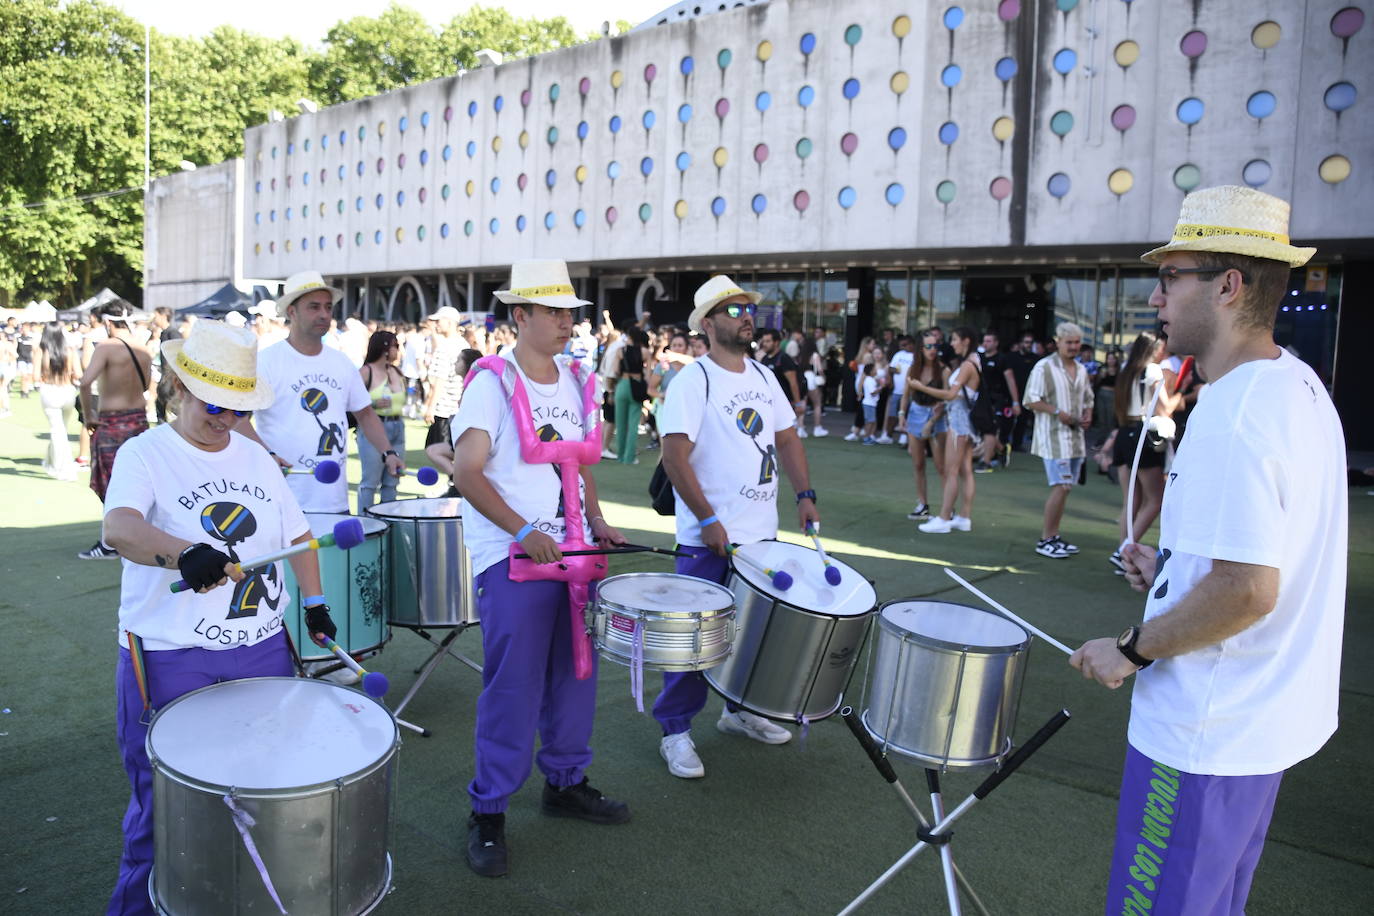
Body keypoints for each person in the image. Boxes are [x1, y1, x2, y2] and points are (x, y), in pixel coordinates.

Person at [1070, 186, 1346, 915]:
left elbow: (1248, 591)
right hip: (1257, 729)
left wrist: (1130, 648)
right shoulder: (1299, 388)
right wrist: (1173, 575)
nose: (1157, 296)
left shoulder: (1238, 410)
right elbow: (1255, 563)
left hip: (1206, 736)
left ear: (1228, 286)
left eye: (1172, 275)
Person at [102, 319, 334, 915]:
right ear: (180, 383)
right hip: (172, 657)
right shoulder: (144, 452)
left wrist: (314, 604)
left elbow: (299, 535)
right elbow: (119, 528)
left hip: (262, 650)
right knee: (167, 807)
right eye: (213, 404)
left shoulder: (255, 458)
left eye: (236, 408)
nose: (223, 418)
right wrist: (186, 554)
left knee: (261, 788)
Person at [451, 259, 630, 878]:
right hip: (512, 557)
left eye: (568, 311)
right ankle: (490, 810)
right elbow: (467, 471)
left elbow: (581, 464)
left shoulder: (580, 377)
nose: (564, 321)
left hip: (576, 553)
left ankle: (565, 781)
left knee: (577, 673)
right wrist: (524, 532)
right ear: (519, 315)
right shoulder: (492, 383)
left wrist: (597, 517)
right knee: (514, 685)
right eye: (551, 311)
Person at [654, 274, 821, 778]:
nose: (746, 316)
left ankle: (739, 710)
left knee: (752, 636)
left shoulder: (765, 377)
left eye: (748, 308)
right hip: (709, 538)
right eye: (732, 310)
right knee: (694, 637)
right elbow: (673, 454)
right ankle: (676, 732)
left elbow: (788, 439)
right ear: (707, 324)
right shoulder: (694, 380)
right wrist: (706, 518)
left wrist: (805, 495)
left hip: (759, 536)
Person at [242, 271, 405, 515]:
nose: (324, 315)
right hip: (284, 502)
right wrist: (268, 454)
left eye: (328, 307)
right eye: (314, 307)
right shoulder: (266, 362)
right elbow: (237, 420)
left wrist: (388, 452)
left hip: (334, 503)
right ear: (292, 312)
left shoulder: (341, 363)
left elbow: (366, 415)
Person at [1106, 331, 1187, 572]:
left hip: (1124, 433)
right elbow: (1164, 408)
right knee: (1155, 499)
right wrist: (1183, 395)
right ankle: (1124, 552)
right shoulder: (1152, 370)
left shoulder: (1124, 372)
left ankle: (1123, 551)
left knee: (1132, 500)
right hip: (1144, 434)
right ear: (1155, 351)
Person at [78, 303, 154, 559]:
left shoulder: (108, 347)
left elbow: (85, 382)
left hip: (112, 422)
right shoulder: (142, 348)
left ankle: (109, 543)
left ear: (108, 323)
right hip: (139, 421)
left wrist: (88, 415)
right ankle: (136, 536)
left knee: (111, 485)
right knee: (140, 481)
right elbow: (147, 385)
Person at [1023, 322, 1093, 558]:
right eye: (1069, 342)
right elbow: (1030, 399)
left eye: (1076, 342)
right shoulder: (1044, 367)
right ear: (1058, 342)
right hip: (1053, 438)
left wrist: (1087, 415)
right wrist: (1056, 412)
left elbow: (1088, 399)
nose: (1073, 347)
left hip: (1075, 439)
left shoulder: (1081, 370)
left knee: (1066, 488)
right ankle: (1046, 538)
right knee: (1061, 486)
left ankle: (1053, 536)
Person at [913, 327, 980, 533]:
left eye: (955, 339)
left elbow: (952, 394)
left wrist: (921, 387)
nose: (951, 343)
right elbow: (958, 395)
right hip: (962, 419)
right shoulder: (972, 361)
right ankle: (963, 517)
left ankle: (944, 518)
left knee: (952, 470)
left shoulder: (969, 364)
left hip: (960, 422)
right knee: (964, 470)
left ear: (966, 341)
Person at [897, 330, 949, 520]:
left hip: (936, 414)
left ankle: (947, 508)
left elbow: (947, 399)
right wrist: (902, 414)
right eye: (928, 346)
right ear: (920, 348)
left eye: (935, 345)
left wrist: (933, 421)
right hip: (916, 412)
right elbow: (906, 394)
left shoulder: (943, 370)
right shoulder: (914, 368)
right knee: (918, 464)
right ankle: (922, 504)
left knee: (941, 465)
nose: (932, 349)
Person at [356, 330, 407, 512]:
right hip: (374, 427)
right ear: (385, 348)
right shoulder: (365, 372)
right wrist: (373, 402)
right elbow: (352, 403)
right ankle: (366, 522)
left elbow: (402, 400)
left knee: (392, 481)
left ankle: (390, 521)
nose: (398, 351)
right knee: (370, 481)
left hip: (397, 426)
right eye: (396, 346)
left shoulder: (395, 371)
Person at [37, 322, 79, 480]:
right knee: (61, 429)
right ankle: (51, 462)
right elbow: (78, 373)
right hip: (67, 390)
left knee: (57, 430)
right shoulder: (70, 350)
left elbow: (35, 375)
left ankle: (60, 467)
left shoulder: (42, 350)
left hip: (49, 390)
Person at [975, 331, 1021, 471]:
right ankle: (1001, 449)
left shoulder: (1002, 359)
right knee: (984, 429)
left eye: (989, 341)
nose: (986, 343)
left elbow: (1010, 380)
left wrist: (1015, 402)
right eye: (985, 340)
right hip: (981, 398)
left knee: (991, 429)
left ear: (996, 343)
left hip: (998, 399)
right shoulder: (979, 358)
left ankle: (986, 460)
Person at [756, 327, 807, 437]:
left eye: (768, 341)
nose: (764, 344)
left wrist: (798, 403)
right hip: (768, 404)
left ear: (776, 342)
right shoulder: (765, 359)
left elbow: (793, 383)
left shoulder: (784, 358)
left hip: (784, 405)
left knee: (785, 438)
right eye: (763, 341)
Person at [612, 325, 651, 463]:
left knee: (620, 424)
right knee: (633, 424)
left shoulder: (619, 351)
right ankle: (629, 457)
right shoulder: (645, 352)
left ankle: (620, 456)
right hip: (637, 386)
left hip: (622, 385)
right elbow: (648, 374)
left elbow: (615, 371)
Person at [798, 334, 828, 437]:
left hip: (802, 378)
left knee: (803, 403)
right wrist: (824, 377)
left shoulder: (801, 354)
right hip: (811, 378)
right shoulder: (815, 355)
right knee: (817, 404)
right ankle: (817, 428)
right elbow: (819, 369)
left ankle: (800, 428)